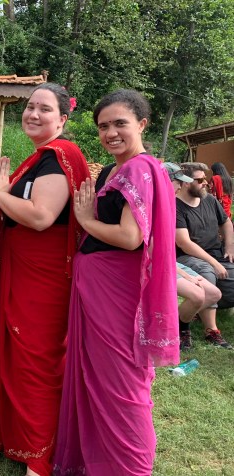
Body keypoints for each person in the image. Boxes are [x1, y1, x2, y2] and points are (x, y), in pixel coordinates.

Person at [54, 89, 179, 475]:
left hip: (116, 294)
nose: (110, 133)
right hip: (97, 290)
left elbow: (130, 237)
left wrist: (86, 220)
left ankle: (132, 469)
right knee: (99, 379)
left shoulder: (140, 168)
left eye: (120, 123)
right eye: (103, 126)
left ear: (142, 124)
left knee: (122, 386)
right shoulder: (114, 169)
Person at [0, 83, 89, 476]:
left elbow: (41, 216)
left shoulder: (59, 157)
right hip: (24, 267)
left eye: (44, 109)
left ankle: (40, 456)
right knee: (19, 357)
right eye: (30, 106)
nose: (33, 113)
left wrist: (0, 193)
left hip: (43, 274)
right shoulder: (40, 158)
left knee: (37, 360)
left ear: (62, 118)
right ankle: (21, 441)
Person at [164, 162, 223, 351]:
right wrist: (187, 276)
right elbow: (155, 252)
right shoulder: (160, 207)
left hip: (169, 262)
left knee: (214, 294)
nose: (181, 186)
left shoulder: (168, 205)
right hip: (156, 263)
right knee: (198, 294)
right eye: (178, 182)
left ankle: (173, 324)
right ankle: (181, 329)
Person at [175, 162, 234, 349]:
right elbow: (184, 243)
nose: (206, 183)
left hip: (216, 253)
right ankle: (211, 331)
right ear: (186, 182)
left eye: (205, 179)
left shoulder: (209, 200)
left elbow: (226, 223)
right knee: (207, 273)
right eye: (200, 180)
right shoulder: (175, 206)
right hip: (186, 257)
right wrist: (214, 263)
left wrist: (230, 247)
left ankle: (193, 312)